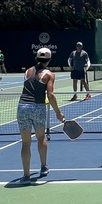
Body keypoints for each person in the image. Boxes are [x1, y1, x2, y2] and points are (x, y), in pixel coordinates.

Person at [16, 47, 66, 183]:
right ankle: (43, 167)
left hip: (22, 107)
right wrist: (58, 113)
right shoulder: (49, 74)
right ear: (49, 60)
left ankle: (26, 176)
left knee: (25, 143)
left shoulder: (27, 71)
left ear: (36, 58)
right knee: (41, 137)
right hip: (38, 108)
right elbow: (50, 95)